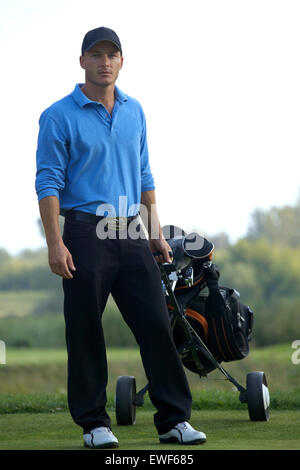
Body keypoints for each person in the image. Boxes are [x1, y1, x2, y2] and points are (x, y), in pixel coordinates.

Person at [35, 26, 206, 448]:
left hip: (130, 230)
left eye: (111, 55)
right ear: (82, 62)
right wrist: (55, 242)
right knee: (85, 330)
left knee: (156, 325)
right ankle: (94, 424)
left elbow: (145, 174)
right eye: (96, 55)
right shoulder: (58, 115)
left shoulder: (135, 111)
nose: (104, 62)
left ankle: (173, 421)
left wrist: (154, 233)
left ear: (121, 62)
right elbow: (48, 181)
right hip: (82, 233)